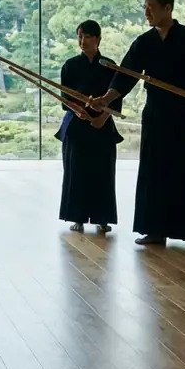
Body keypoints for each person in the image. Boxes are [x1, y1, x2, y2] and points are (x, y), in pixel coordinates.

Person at [88, 0, 185, 248]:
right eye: (144, 7)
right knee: (154, 172)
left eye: (151, 7)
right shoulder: (144, 42)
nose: (147, 12)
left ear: (167, 8)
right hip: (156, 114)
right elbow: (125, 75)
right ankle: (155, 230)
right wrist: (105, 99)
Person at [57, 20, 123, 233]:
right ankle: (78, 217)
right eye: (79, 37)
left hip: (102, 125)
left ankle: (102, 218)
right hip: (77, 125)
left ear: (98, 39)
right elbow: (65, 98)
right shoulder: (70, 65)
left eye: (86, 37)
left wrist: (102, 118)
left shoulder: (109, 65)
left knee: (102, 172)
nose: (82, 41)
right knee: (76, 171)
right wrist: (79, 110)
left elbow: (116, 96)